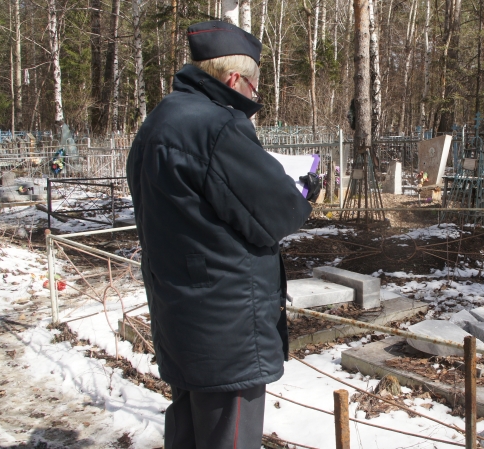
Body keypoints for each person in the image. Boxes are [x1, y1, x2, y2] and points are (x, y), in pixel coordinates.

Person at [126, 20, 312, 449]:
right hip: (226, 326)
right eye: (253, 87)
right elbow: (277, 215)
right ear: (234, 79)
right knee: (229, 436)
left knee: (190, 433)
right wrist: (302, 191)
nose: (253, 97)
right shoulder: (217, 127)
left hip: (181, 313)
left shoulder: (160, 119)